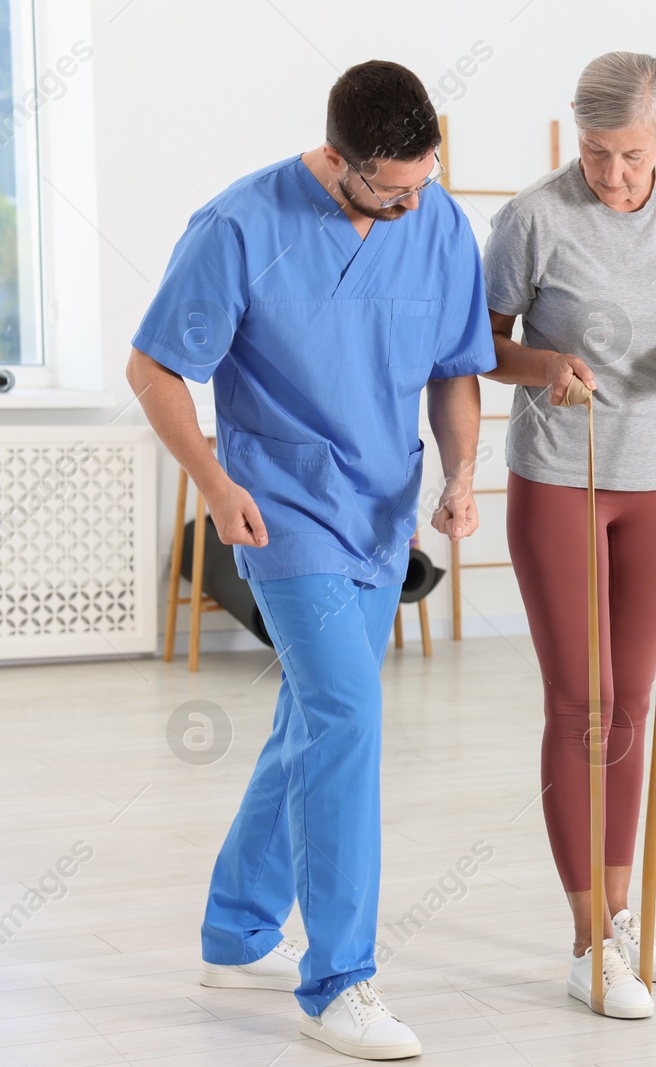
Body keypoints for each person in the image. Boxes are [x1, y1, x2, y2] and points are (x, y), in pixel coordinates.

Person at [127, 60, 494, 1060]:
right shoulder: (239, 225)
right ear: (338, 160)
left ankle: (235, 928)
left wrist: (462, 475)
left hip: (381, 516)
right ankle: (339, 978)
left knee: (309, 719)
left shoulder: (439, 218)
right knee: (345, 712)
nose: (415, 202)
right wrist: (211, 480)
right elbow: (154, 365)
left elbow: (457, 369)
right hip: (279, 509)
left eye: (425, 180)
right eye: (393, 187)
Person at [481, 51, 656, 1018]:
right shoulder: (533, 216)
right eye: (597, 153)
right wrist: (543, 364)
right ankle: (590, 942)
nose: (612, 174)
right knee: (582, 699)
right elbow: (482, 345)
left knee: (633, 697)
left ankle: (625, 917)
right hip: (563, 474)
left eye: (630, 155)